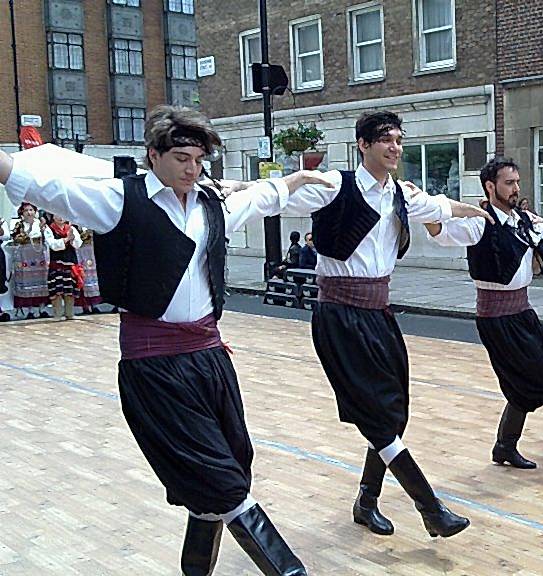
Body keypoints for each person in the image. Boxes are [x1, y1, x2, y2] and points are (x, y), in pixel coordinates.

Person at [0, 105, 336, 575]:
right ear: (153, 155)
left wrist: (297, 180)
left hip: (209, 358)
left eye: (198, 158)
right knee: (219, 479)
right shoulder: (121, 199)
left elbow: (261, 197)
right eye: (181, 157)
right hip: (154, 366)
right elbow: (49, 188)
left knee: (232, 465)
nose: (191, 168)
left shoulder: (210, 202)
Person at [285, 111, 488, 539]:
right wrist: (221, 189)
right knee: (375, 413)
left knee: (395, 411)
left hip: (378, 312)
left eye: (398, 139)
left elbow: (439, 206)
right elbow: (277, 195)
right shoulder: (334, 186)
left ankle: (366, 501)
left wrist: (474, 210)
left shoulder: (400, 193)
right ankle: (429, 506)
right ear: (363, 145)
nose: (394, 147)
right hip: (339, 315)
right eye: (385, 140)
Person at [425, 156, 543, 469]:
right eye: (508, 183)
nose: (515, 189)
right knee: (541, 379)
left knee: (522, 383)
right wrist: (423, 209)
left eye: (516, 182)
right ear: (490, 186)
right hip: (495, 317)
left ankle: (504, 446)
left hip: (523, 313)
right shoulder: (479, 220)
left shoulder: (523, 220)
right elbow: (440, 231)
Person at [10, 202, 50, 318]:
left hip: (39, 254)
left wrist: (42, 230)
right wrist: (28, 232)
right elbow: (15, 239)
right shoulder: (19, 225)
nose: (29, 212)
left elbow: (47, 237)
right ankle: (30, 310)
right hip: (24, 255)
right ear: (22, 212)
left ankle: (42, 309)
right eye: (26, 210)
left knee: (41, 281)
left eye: (31, 210)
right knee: (26, 281)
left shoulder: (41, 224)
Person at [73, 225, 104, 314]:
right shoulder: (73, 225)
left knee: (93, 277)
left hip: (91, 252)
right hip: (79, 252)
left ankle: (94, 304)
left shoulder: (91, 223)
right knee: (81, 278)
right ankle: (84, 305)